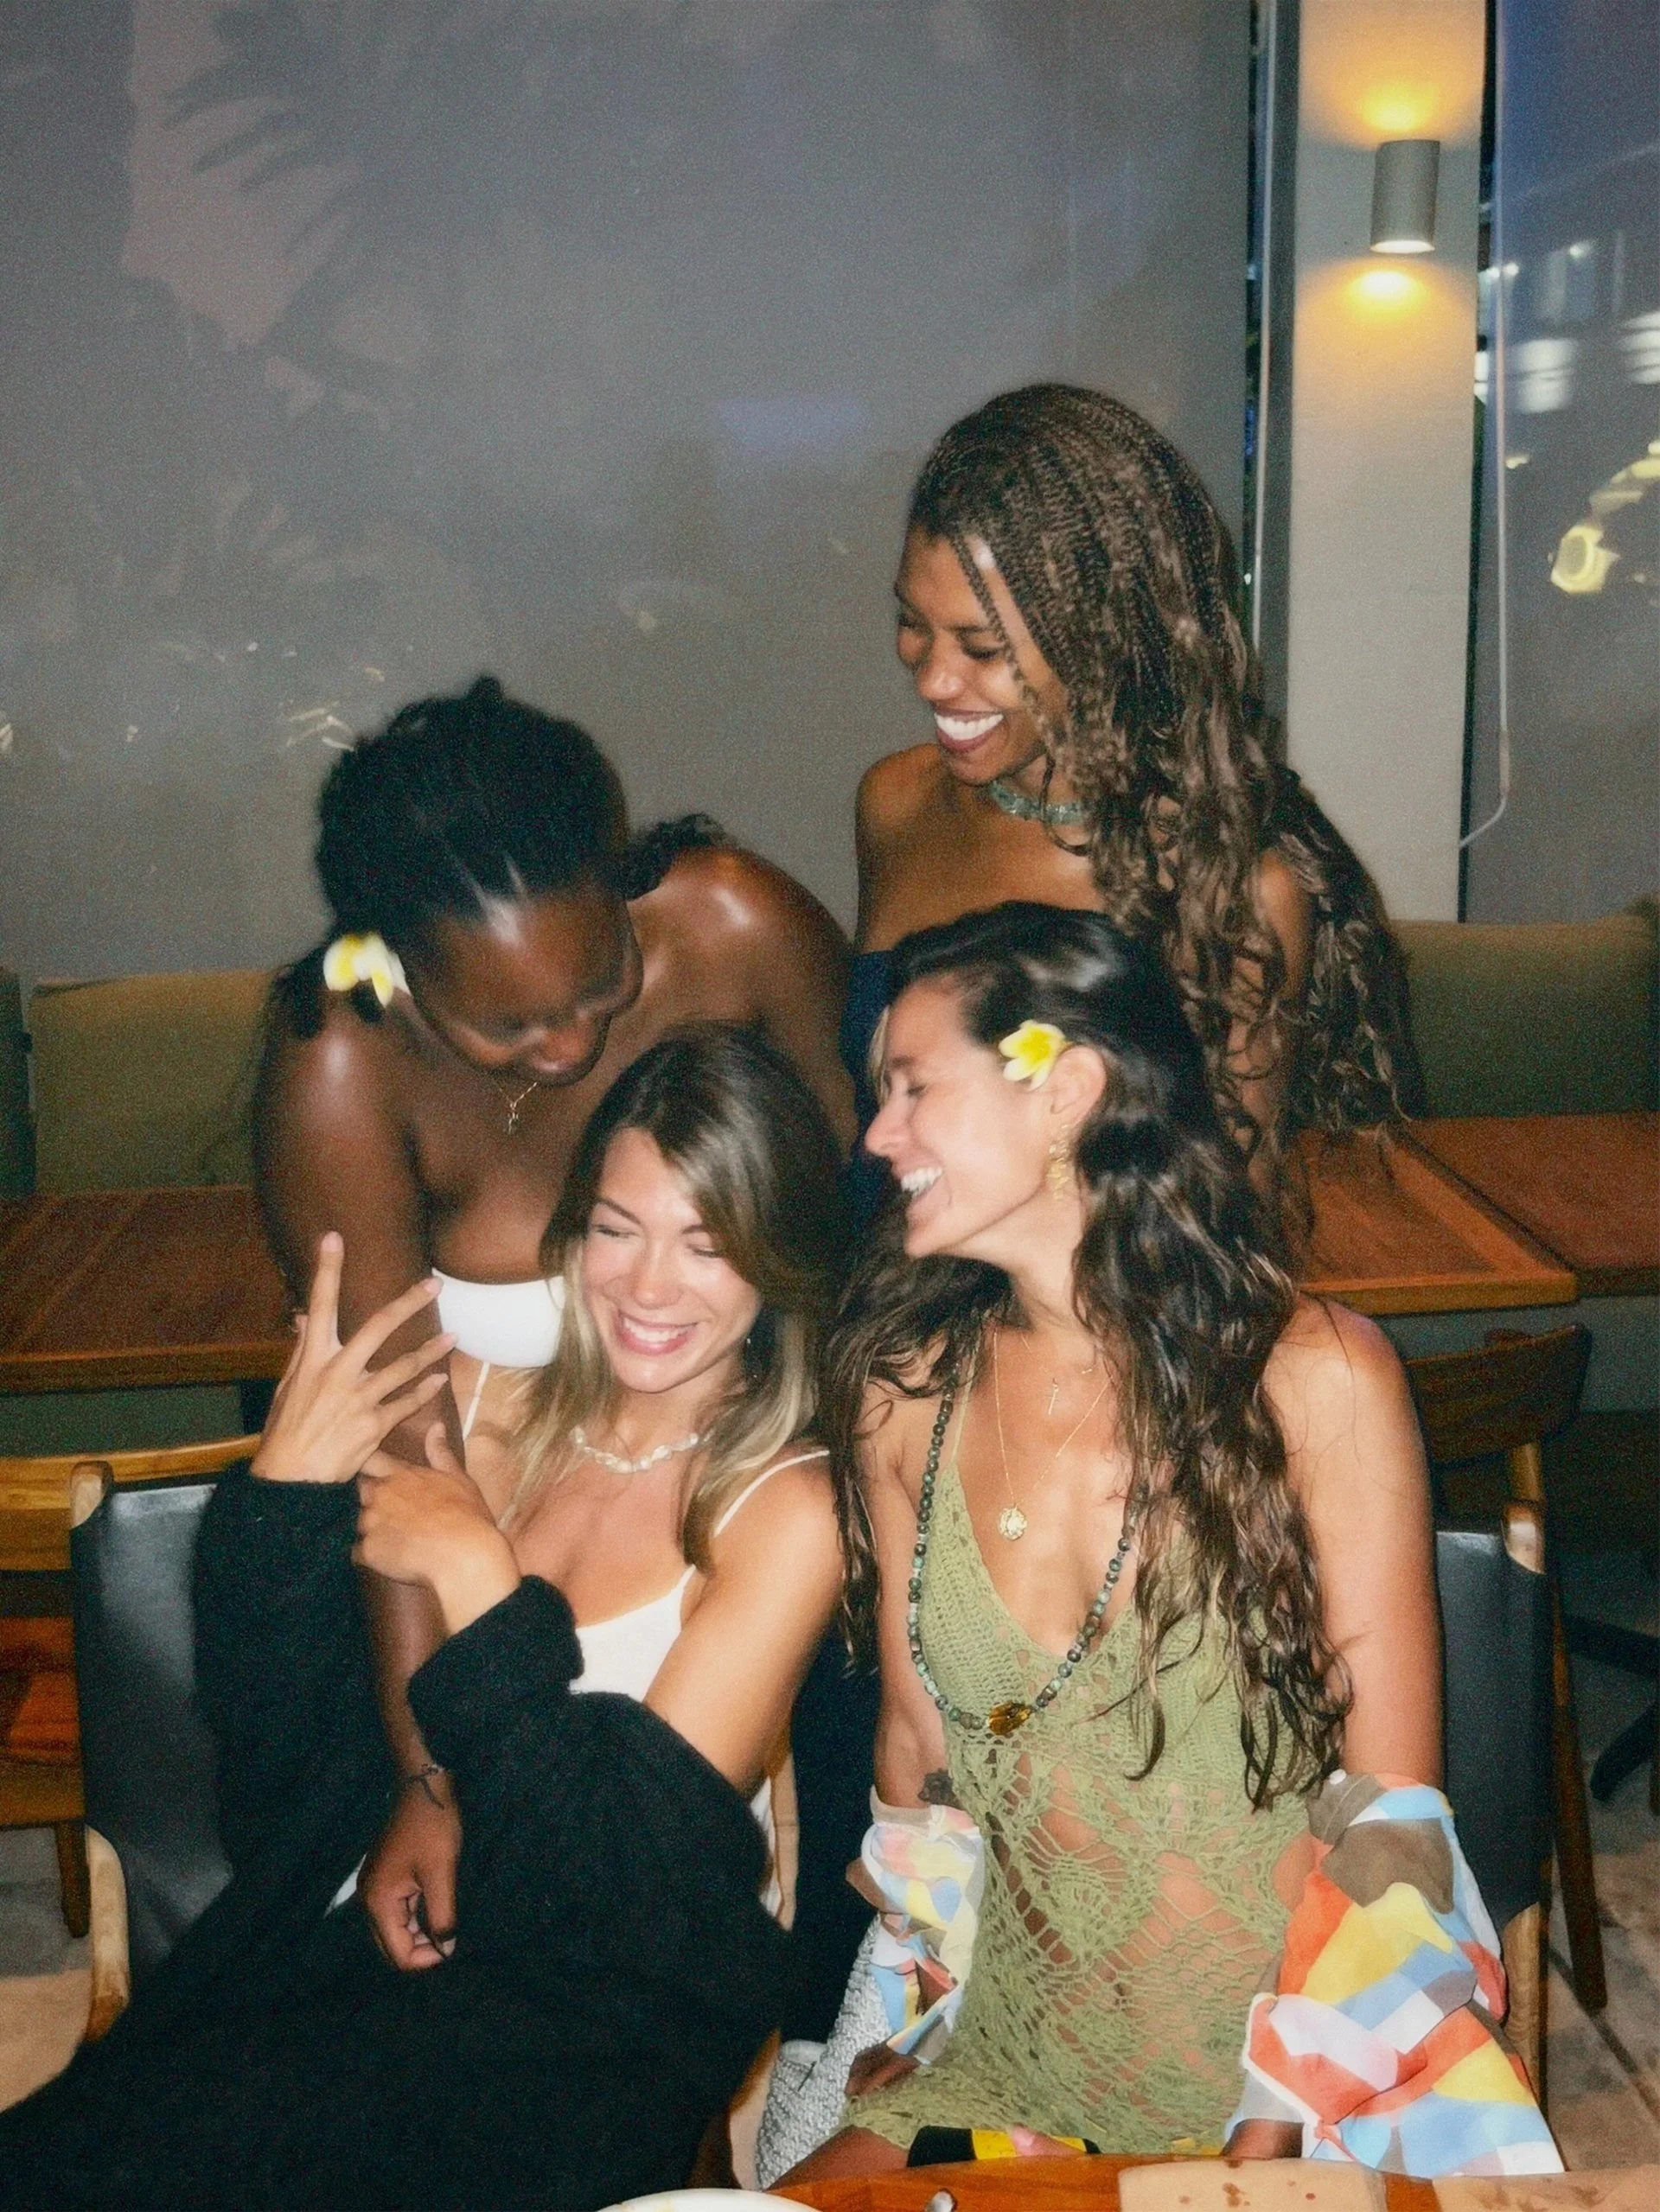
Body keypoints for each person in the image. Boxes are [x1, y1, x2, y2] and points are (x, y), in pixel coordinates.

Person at [0, 1026, 852, 2211]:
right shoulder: (470, 1401)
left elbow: (618, 1892)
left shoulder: (782, 1505)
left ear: (777, 1263)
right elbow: (275, 1771)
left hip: (585, 2015)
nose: (649, 1286)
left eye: (707, 1246)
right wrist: (285, 1501)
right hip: (371, 1942)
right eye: (617, 1227)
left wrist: (485, 1590)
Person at [782, 903, 1553, 2179]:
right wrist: (908, 2017)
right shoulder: (903, 1393)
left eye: (914, 1086)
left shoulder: (1315, 1381)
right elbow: (920, 1760)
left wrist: (1265, 2137)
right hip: (1009, 2061)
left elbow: (1389, 1823)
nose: (876, 1134)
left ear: (1065, 1089)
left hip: (1315, 2082)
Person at [253, 674, 853, 1978]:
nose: (575, 1045)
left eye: (602, 983)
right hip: (469, 1588)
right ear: (401, 964)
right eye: (511, 1023)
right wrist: (427, 1782)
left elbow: (874, 1193)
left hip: (744, 1514)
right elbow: (400, 1452)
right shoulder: (343, 1063)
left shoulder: (735, 923)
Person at [848, 383, 1415, 1202]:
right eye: (914, 622)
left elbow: (1223, 1223)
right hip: (880, 1308)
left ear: (1105, 633)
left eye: (980, 646)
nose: (934, 677)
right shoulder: (896, 803)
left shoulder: (1230, 888)